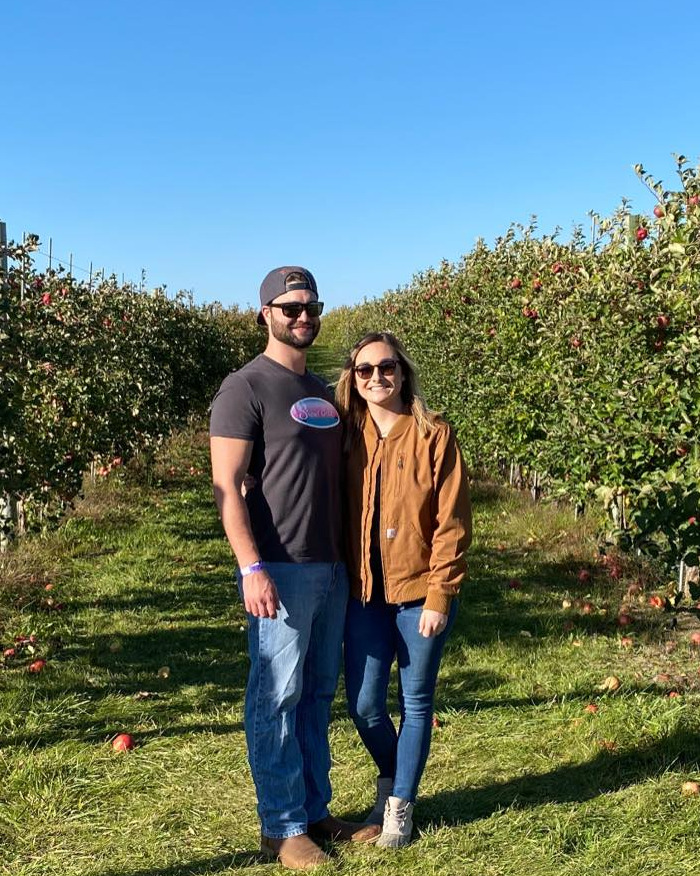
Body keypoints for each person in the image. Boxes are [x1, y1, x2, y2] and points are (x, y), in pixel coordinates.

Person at [209, 267, 380, 871]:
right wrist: (250, 566)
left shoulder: (329, 391)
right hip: (279, 566)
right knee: (275, 697)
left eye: (312, 307)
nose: (303, 317)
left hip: (331, 566)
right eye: (291, 307)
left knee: (314, 695)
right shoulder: (245, 388)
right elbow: (228, 487)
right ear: (265, 313)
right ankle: (280, 828)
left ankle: (313, 811)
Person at [335, 331, 472, 848]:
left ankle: (399, 806)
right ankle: (395, 776)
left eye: (387, 367)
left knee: (416, 702)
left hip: (419, 596)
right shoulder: (346, 435)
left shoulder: (434, 435)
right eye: (365, 369)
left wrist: (440, 596)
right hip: (365, 595)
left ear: (403, 372)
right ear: (353, 376)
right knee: (365, 705)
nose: (377, 378)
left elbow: (452, 523)